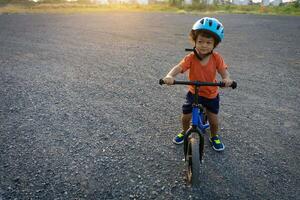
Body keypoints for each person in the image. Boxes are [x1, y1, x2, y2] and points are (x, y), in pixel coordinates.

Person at [162, 17, 233, 152]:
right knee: (186, 116)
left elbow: (224, 73)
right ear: (195, 41)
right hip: (194, 92)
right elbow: (179, 67)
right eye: (200, 41)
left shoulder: (216, 58)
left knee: (213, 120)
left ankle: (214, 136)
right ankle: (184, 131)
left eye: (208, 42)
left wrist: (226, 80)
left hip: (211, 94)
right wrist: (170, 76)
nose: (204, 45)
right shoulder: (191, 57)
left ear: (214, 44)